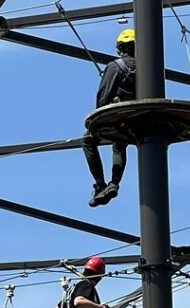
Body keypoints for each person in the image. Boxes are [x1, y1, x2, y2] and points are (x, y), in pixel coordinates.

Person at [83, 29, 136, 207]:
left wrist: (96, 122)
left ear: (120, 48)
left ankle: (100, 184)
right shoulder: (149, 66)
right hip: (138, 120)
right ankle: (114, 183)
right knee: (119, 146)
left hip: (117, 117)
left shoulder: (116, 66)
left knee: (88, 141)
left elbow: (103, 97)